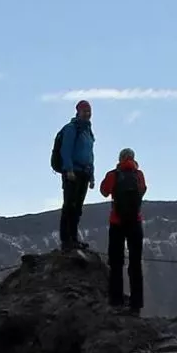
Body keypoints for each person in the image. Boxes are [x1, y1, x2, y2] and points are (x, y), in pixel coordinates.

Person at [98, 146, 147, 313]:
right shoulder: (138, 175)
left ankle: (116, 301)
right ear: (133, 158)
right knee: (135, 264)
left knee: (116, 263)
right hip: (135, 222)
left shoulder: (113, 175)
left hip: (116, 222)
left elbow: (104, 191)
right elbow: (143, 190)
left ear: (120, 159)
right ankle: (136, 304)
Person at [52, 100, 95, 252]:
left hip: (84, 172)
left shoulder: (88, 131)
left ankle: (74, 238)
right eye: (84, 111)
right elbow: (66, 150)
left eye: (89, 111)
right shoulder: (71, 129)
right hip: (73, 172)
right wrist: (68, 169)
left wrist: (91, 175)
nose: (87, 114)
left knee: (77, 207)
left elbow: (90, 154)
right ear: (78, 112)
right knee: (69, 205)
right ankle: (66, 240)